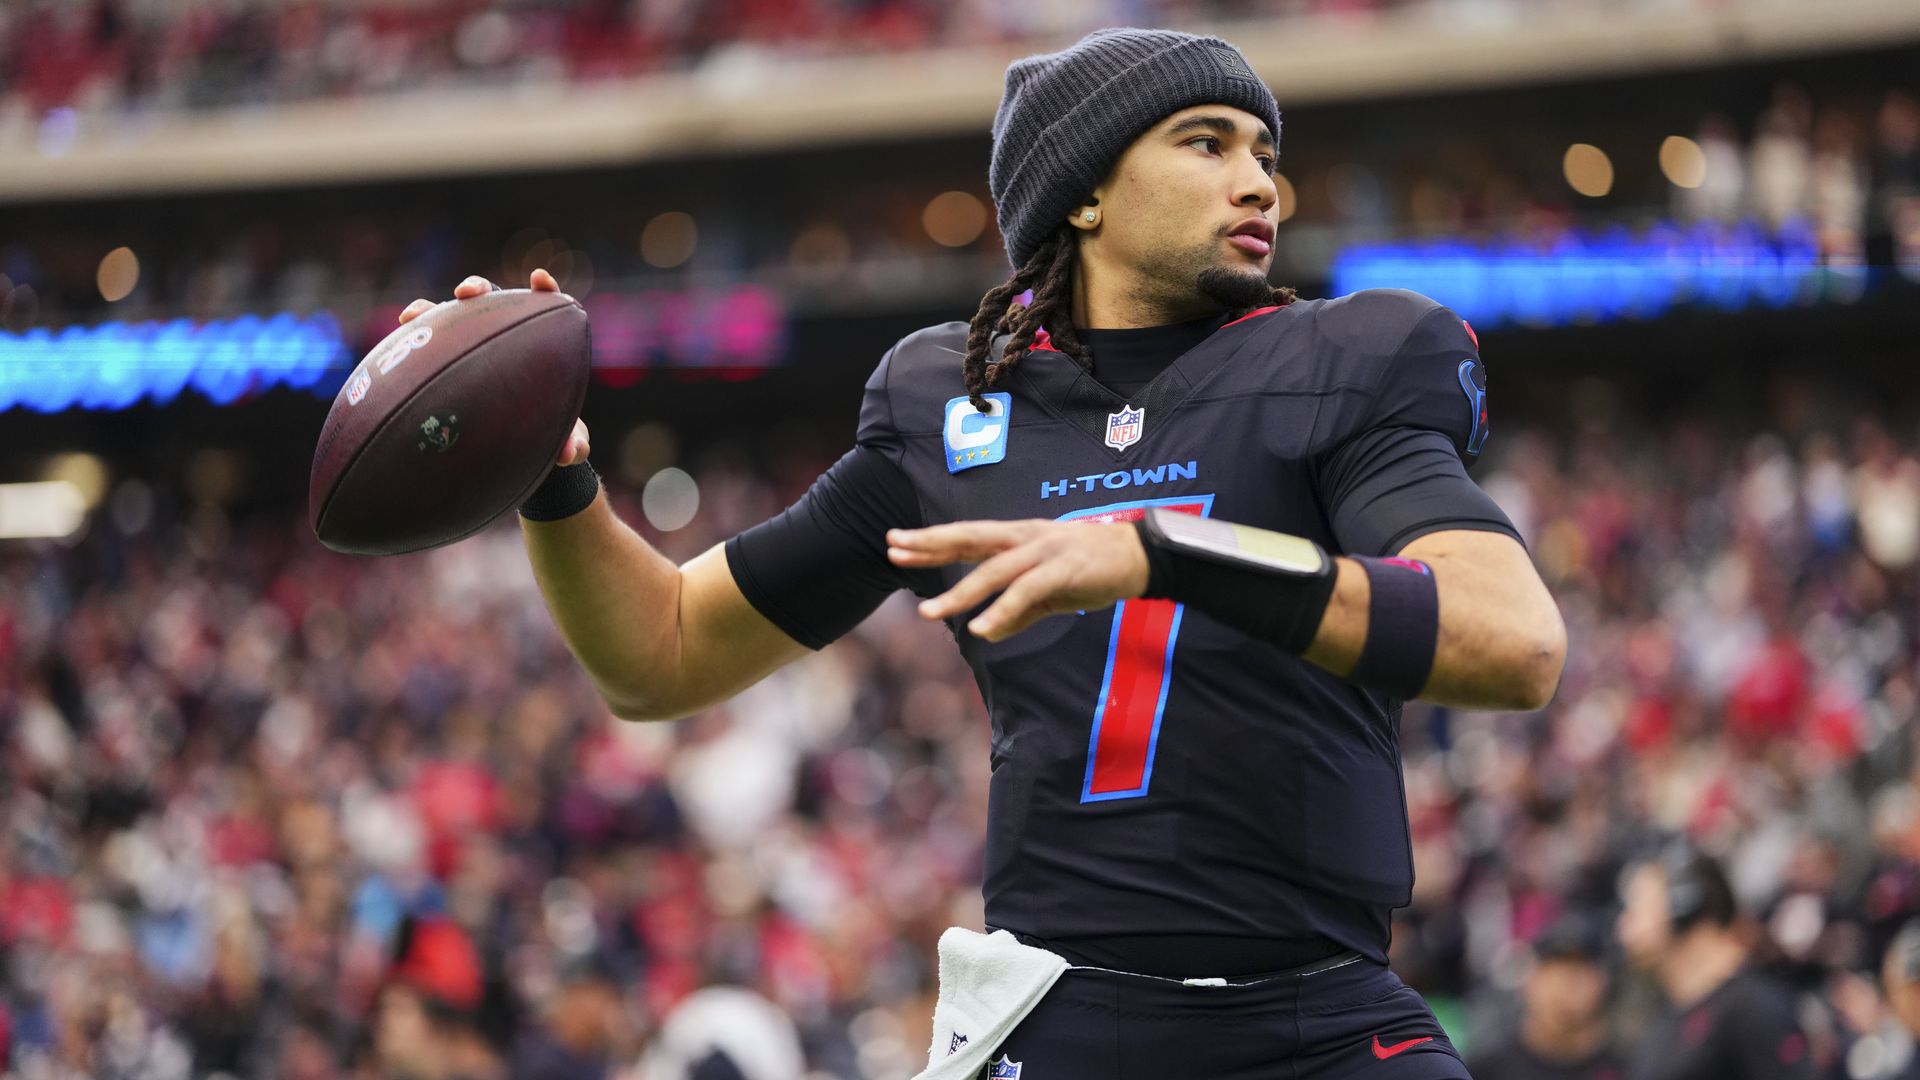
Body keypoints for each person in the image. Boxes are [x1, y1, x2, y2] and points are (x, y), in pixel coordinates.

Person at [398, 26, 1566, 1077]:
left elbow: (1512, 644)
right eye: (1206, 143)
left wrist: (1167, 554)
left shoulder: (1343, 364)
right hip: (1063, 1022)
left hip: (1318, 1024)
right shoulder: (951, 408)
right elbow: (660, 654)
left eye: (1265, 150)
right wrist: (555, 482)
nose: (1260, 178)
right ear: (1086, 195)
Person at [1614, 845, 1815, 1080]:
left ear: (1684, 907)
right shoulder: (1666, 1020)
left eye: (1637, 910)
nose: (1623, 929)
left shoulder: (1754, 1011)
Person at [1470, 912, 1625, 1080]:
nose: (1565, 985)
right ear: (1530, 980)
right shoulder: (1485, 1068)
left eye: (1578, 972)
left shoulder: (1630, 1064)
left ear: (1603, 982)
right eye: (1552, 970)